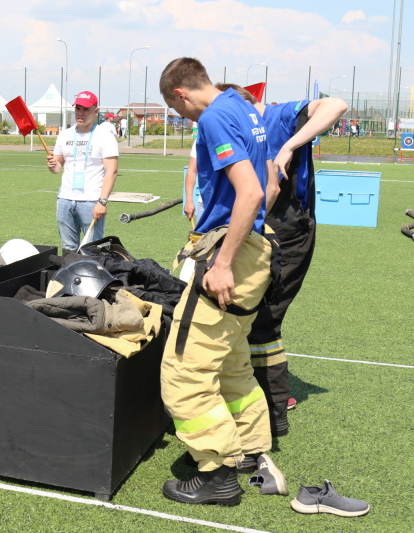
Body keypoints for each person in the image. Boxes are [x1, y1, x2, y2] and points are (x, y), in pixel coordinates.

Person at [158, 57, 284, 506]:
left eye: (177, 111)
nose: (182, 118)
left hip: (235, 254)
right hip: (260, 246)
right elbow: (270, 183)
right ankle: (251, 450)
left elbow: (250, 192)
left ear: (181, 94)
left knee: (183, 372)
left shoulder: (213, 117)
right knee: (231, 362)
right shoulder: (246, 107)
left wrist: (224, 260)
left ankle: (218, 472)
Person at [215, 83, 347, 437]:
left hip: (288, 234)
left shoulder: (278, 115)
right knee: (249, 317)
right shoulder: (239, 128)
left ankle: (273, 409)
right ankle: (255, 397)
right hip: (262, 231)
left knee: (264, 322)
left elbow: (336, 104)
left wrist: (291, 145)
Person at [46, 90, 119, 254]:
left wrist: (102, 202)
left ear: (95, 111)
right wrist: (52, 165)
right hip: (65, 199)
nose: (81, 113)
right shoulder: (64, 135)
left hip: (91, 201)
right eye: (78, 108)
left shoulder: (104, 136)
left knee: (92, 251)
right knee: (68, 249)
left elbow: (111, 172)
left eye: (86, 109)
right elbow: (57, 168)